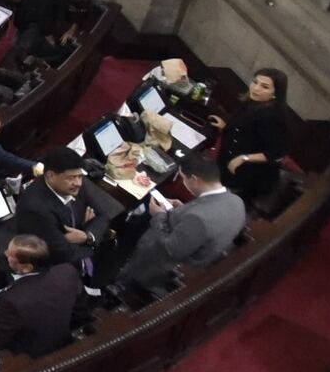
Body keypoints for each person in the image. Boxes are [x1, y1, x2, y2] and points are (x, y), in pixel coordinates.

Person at [117, 155, 246, 295]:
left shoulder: (198, 219)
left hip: (157, 267)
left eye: (183, 178)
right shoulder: (236, 201)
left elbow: (170, 249)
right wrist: (183, 209)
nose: (183, 182)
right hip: (200, 253)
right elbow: (205, 219)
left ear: (194, 179)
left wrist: (158, 215)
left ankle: (120, 288)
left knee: (127, 279)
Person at [0, 234, 81, 361]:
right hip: (61, 337)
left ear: (27, 268)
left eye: (10, 256)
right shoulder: (66, 271)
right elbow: (79, 309)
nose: (5, 255)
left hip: (28, 357)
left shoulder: (11, 302)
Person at [7, 147, 99, 270]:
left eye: (80, 176)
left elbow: (102, 215)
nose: (78, 183)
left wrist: (87, 236)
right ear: (50, 175)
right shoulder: (35, 208)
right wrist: (91, 242)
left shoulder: (74, 184)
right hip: (56, 266)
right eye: (71, 177)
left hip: (80, 250)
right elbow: (64, 253)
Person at [213, 68, 289, 203]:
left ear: (275, 94)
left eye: (264, 87)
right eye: (255, 82)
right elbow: (243, 130)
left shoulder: (273, 118)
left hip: (248, 172)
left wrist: (244, 158)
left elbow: (276, 153)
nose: (256, 88)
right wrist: (225, 127)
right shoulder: (251, 102)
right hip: (229, 158)